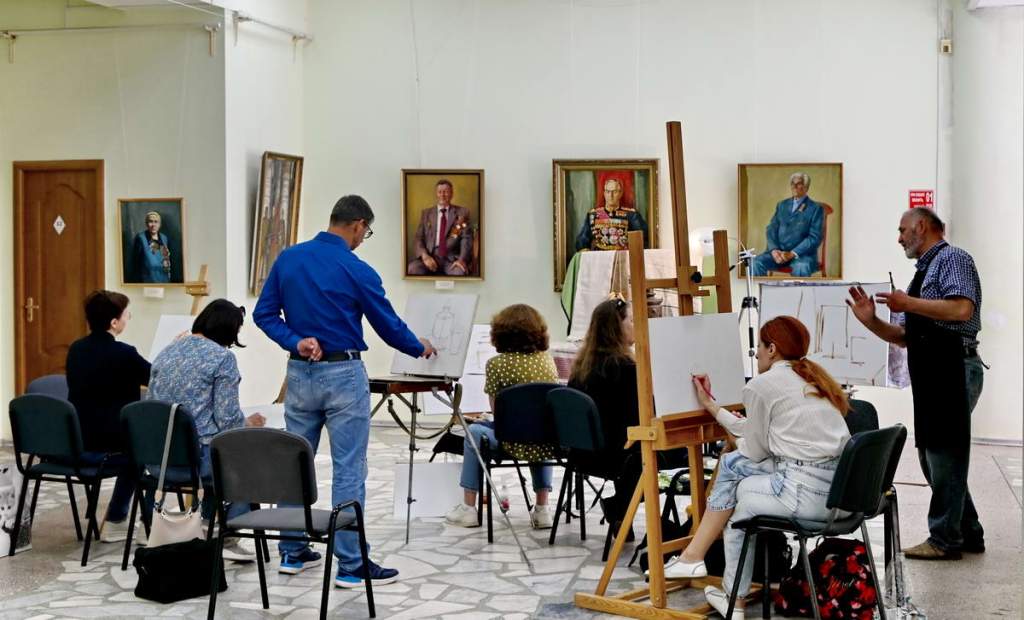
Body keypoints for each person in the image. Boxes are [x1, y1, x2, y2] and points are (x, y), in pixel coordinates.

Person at [254, 194, 436, 588]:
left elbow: (264, 314)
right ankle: (352, 564)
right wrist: (418, 347)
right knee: (349, 468)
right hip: (343, 373)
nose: (361, 240)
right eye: (365, 233)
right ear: (357, 225)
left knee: (295, 462)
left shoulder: (288, 259)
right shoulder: (356, 269)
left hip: (299, 372)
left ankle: (292, 550)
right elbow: (387, 324)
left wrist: (296, 340)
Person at [661, 316, 850, 618]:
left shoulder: (762, 385)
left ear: (772, 349)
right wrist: (712, 407)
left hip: (806, 495)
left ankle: (705, 569)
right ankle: (713, 578)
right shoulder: (813, 380)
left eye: (759, 346)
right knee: (740, 492)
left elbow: (755, 450)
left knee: (735, 470)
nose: (756, 353)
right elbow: (757, 434)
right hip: (842, 496)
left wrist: (734, 440)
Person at [847, 207, 984, 560]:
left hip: (955, 366)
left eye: (902, 230)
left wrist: (907, 302)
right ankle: (968, 531)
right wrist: (870, 321)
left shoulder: (952, 258)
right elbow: (904, 336)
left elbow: (962, 310)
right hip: (936, 371)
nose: (899, 238)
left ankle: (944, 539)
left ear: (921, 227)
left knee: (944, 454)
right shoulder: (925, 270)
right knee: (933, 454)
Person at [146, 298, 265, 562]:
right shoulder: (222, 358)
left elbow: (151, 403)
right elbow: (228, 419)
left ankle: (208, 525)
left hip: (159, 459)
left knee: (221, 451)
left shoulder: (167, 351)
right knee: (250, 458)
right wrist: (250, 422)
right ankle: (226, 533)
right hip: (198, 462)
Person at [566, 298, 686, 531]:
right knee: (677, 449)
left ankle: (620, 509)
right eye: (632, 320)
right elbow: (642, 419)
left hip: (582, 455)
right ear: (615, 328)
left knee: (638, 446)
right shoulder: (626, 370)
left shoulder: (582, 367)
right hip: (618, 456)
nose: (637, 324)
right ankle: (620, 508)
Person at [445, 304, 559, 529]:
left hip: (510, 440)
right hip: (542, 440)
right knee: (539, 430)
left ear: (501, 333)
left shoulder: (496, 364)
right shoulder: (547, 360)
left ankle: (468, 508)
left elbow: (497, 412)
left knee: (473, 432)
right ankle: (542, 509)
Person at [65, 290, 151, 543]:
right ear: (114, 322)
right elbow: (156, 377)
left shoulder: (76, 349)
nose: (128, 318)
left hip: (77, 441)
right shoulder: (125, 353)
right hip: (108, 447)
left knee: (134, 449)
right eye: (126, 314)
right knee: (144, 453)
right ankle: (122, 520)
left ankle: (118, 519)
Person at [750, 172, 825, 277]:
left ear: (806, 187)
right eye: (792, 183)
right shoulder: (782, 205)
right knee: (755, 263)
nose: (794, 186)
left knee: (801, 267)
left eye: (798, 184)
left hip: (802, 256)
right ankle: (758, 288)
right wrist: (774, 250)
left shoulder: (815, 208)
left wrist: (792, 253)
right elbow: (771, 229)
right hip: (779, 254)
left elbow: (814, 237)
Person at [406, 179, 473, 276]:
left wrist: (461, 259)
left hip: (450, 259)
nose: (442, 195)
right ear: (436, 194)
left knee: (459, 273)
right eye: (439, 192)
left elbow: (466, 239)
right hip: (430, 256)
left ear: (452, 194)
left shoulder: (462, 213)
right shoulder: (426, 213)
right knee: (412, 269)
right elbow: (418, 238)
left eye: (446, 192)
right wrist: (424, 256)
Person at [574, 178, 648, 252]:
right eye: (608, 191)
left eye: (614, 192)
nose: (611, 195)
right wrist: (584, 249)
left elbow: (642, 238)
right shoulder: (594, 215)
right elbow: (582, 239)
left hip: (623, 255)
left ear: (620, 193)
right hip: (600, 256)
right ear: (604, 193)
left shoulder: (631, 215)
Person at [132, 211, 171, 283]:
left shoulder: (164, 238)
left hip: (164, 278)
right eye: (150, 221)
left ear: (159, 224)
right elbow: (136, 263)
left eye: (156, 222)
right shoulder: (141, 238)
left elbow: (166, 258)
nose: (153, 225)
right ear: (146, 223)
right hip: (148, 279)